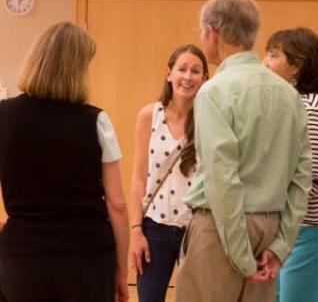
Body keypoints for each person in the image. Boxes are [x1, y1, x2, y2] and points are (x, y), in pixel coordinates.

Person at [174, 0, 312, 302]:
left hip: (221, 229)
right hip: (270, 227)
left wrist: (241, 257)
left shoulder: (215, 92)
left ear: (213, 32)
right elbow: (302, 178)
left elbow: (223, 181)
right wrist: (280, 247)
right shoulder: (289, 95)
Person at [0, 22, 129, 302]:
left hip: (22, 253)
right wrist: (121, 272)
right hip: (86, 256)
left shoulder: (4, 116)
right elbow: (117, 205)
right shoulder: (96, 121)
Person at [264, 27, 318, 302]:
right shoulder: (292, 106)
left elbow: (306, 181)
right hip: (289, 235)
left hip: (310, 235)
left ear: (297, 66)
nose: (265, 62)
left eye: (273, 55)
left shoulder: (312, 109)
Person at [130, 44, 208, 302]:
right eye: (182, 69)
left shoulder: (211, 120)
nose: (188, 76)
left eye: (195, 71)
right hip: (155, 228)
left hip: (197, 228)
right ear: (169, 74)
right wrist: (135, 231)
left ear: (205, 79)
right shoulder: (149, 116)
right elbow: (138, 177)